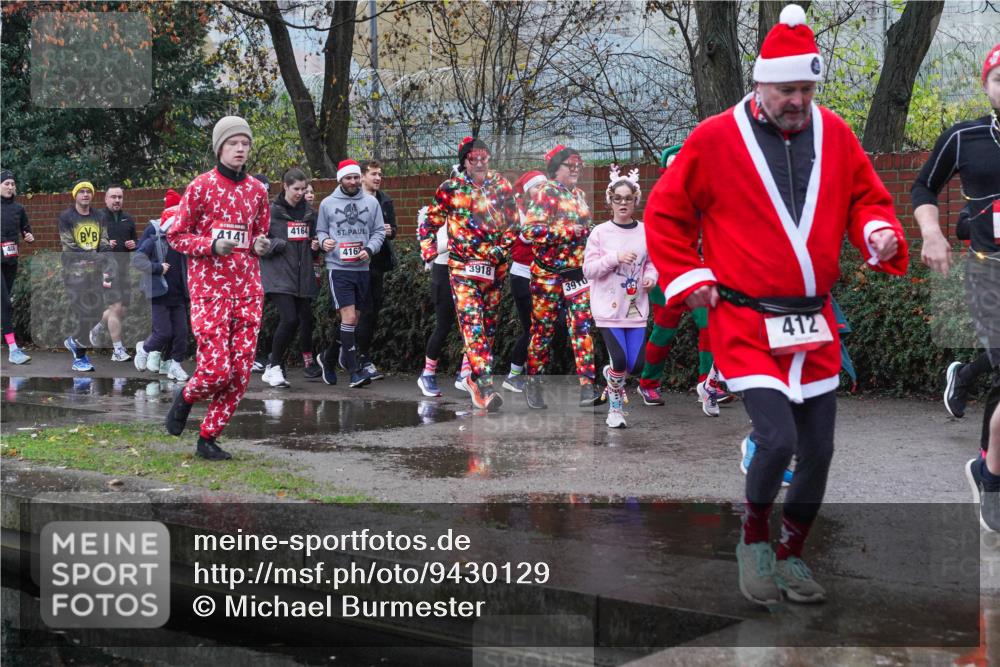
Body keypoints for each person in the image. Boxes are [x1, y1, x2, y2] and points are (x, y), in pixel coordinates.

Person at [645, 4, 908, 606]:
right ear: (759, 82)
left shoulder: (834, 132)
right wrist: (688, 275)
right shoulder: (714, 138)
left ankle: (792, 555)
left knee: (820, 449)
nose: (798, 100)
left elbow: (867, 197)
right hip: (744, 319)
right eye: (787, 88)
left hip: (813, 321)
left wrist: (875, 233)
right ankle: (755, 538)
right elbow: (666, 212)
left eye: (807, 89)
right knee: (778, 437)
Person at [914, 43, 1000, 529]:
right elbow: (924, 186)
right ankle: (990, 474)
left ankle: (964, 377)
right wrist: (933, 232)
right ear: (986, 85)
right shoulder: (964, 137)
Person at [164, 116, 272, 461]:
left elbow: (259, 233)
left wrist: (260, 245)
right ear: (220, 147)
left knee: (240, 374)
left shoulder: (258, 190)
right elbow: (176, 235)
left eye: (245, 143)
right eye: (233, 143)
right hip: (210, 290)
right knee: (215, 370)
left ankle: (208, 437)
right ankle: (186, 396)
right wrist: (211, 246)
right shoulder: (201, 186)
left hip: (249, 290)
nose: (241, 149)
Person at [418, 137, 518, 411]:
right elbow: (430, 222)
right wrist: (429, 251)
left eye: (485, 157)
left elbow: (513, 224)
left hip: (493, 270)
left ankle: (474, 379)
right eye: (475, 157)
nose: (481, 162)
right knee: (472, 325)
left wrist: (500, 251)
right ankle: (485, 385)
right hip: (462, 268)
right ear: (465, 161)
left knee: (487, 328)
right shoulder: (450, 188)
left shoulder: (501, 186)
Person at [635, 146, 728, 414]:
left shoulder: (707, 196)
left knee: (709, 324)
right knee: (665, 329)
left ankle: (707, 383)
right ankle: (648, 382)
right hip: (669, 277)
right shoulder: (663, 200)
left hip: (699, 273)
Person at [521, 145, 603, 409]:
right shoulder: (546, 192)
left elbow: (584, 230)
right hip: (548, 275)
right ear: (556, 169)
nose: (576, 168)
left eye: (578, 163)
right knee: (543, 331)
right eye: (570, 164)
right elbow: (531, 231)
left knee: (582, 327)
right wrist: (570, 231)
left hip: (576, 275)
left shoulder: (578, 194)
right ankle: (533, 383)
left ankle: (587, 387)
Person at [583, 165, 657, 428]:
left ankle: (610, 375)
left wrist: (651, 277)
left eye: (628, 198)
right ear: (610, 202)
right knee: (621, 361)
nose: (623, 203)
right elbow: (589, 269)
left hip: (636, 306)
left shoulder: (646, 231)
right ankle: (615, 407)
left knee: (635, 366)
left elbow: (652, 262)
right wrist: (614, 258)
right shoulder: (600, 233)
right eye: (618, 198)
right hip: (608, 308)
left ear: (635, 201)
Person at [315, 159, 386, 388]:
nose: (353, 182)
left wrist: (369, 249)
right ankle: (355, 371)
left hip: (362, 268)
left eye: (356, 177)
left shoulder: (371, 203)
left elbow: (378, 232)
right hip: (339, 268)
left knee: (352, 321)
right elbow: (321, 230)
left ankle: (328, 357)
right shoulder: (327, 203)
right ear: (340, 179)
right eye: (349, 178)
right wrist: (325, 241)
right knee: (350, 318)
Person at [259, 168, 321, 388]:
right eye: (296, 189)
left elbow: (313, 241)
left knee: (297, 322)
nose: (300, 193)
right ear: (285, 186)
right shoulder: (271, 211)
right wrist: (279, 244)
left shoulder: (309, 213)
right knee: (290, 318)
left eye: (304, 189)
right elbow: (258, 241)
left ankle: (273, 364)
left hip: (301, 275)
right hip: (277, 274)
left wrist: (316, 246)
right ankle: (274, 365)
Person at [132, 189, 189, 382]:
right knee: (163, 332)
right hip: (159, 293)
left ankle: (175, 364)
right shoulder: (154, 239)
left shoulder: (186, 240)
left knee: (181, 333)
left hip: (180, 293)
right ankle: (145, 349)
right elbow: (138, 259)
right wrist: (157, 268)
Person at [59, 180, 116, 372]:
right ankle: (80, 358)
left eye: (88, 192)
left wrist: (107, 259)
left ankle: (74, 341)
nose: (85, 195)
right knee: (84, 312)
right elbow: (69, 247)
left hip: (95, 273)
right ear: (75, 195)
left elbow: (104, 241)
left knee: (97, 312)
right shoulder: (67, 217)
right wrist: (95, 255)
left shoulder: (99, 216)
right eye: (81, 192)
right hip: (74, 273)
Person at [502, 170, 548, 393]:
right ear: (528, 191)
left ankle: (531, 374)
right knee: (533, 327)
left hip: (544, 278)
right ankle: (514, 375)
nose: (541, 190)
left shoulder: (548, 211)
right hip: (523, 276)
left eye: (544, 186)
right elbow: (515, 249)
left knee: (543, 328)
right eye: (536, 186)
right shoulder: (520, 214)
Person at [355, 159, 397, 380]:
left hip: (377, 264)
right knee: (358, 312)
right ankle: (357, 357)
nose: (378, 178)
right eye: (373, 174)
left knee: (371, 313)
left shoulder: (385, 200)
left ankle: (360, 356)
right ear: (362, 176)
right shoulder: (354, 200)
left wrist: (389, 231)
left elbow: (394, 230)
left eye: (380, 174)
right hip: (356, 264)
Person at [90, 184, 136, 361]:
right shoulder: (98, 219)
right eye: (113, 197)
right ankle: (118, 350)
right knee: (115, 307)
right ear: (106, 199)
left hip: (124, 269)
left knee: (121, 310)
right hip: (106, 270)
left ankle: (99, 327)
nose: (117, 200)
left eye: (120, 197)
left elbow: (135, 241)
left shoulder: (128, 219)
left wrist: (134, 245)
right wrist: (106, 245)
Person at [416, 205, 454, 397]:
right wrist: (464, 241)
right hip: (444, 272)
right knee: (443, 326)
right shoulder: (440, 214)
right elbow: (436, 245)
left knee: (473, 327)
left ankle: (467, 375)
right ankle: (428, 373)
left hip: (468, 272)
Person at [1, 170, 33, 364]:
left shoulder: (19, 209)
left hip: (10, 261)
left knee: (3, 305)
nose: (11, 187)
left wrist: (29, 236)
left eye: (13, 183)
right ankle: (13, 350)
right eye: (6, 183)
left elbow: (26, 229)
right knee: (5, 304)